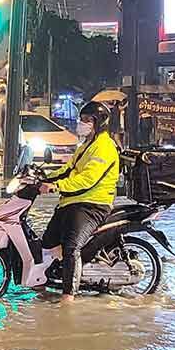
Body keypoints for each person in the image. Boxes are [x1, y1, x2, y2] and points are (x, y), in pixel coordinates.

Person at [40, 101, 121, 302]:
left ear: (98, 123)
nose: (81, 124)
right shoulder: (86, 145)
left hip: (92, 204)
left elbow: (87, 180)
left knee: (71, 247)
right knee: (48, 240)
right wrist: (42, 177)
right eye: (81, 120)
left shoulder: (104, 147)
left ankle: (69, 296)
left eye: (87, 121)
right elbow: (68, 169)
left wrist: (57, 186)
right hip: (73, 202)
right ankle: (59, 275)